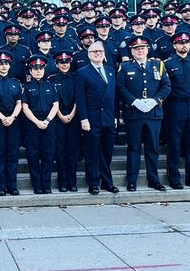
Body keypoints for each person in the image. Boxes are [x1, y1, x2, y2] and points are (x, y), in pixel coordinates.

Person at [116, 37, 170, 191]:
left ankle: (153, 180)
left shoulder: (158, 65)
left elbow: (166, 85)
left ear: (147, 49)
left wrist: (155, 101)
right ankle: (131, 180)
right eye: (136, 49)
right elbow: (121, 87)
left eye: (143, 48)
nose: (140, 51)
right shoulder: (125, 67)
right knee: (133, 148)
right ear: (132, 52)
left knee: (152, 148)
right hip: (134, 114)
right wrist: (134, 102)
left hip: (153, 113)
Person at [75, 42, 119, 195]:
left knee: (106, 153)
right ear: (88, 54)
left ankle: (107, 182)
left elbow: (115, 97)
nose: (98, 54)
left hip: (108, 118)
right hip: (92, 119)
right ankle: (93, 183)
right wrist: (84, 119)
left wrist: (115, 116)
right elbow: (80, 98)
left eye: (100, 51)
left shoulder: (111, 70)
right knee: (92, 153)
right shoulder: (82, 72)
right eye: (94, 51)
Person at [0, 52, 24, 196]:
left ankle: (12, 186)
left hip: (13, 122)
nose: (4, 66)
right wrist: (3, 118)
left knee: (13, 155)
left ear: (9, 65)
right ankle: (1, 187)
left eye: (6, 63)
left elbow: (20, 103)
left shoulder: (16, 83)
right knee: (0, 155)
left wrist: (12, 117)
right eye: (1, 64)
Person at [22, 55, 59, 194]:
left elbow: (56, 105)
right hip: (33, 123)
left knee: (48, 155)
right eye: (35, 68)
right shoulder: (26, 87)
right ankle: (37, 185)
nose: (38, 71)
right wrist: (37, 122)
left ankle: (46, 184)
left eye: (40, 68)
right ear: (30, 71)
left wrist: (47, 121)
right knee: (33, 155)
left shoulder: (51, 85)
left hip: (48, 123)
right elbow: (25, 107)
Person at [49, 51, 82, 192]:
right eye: (61, 63)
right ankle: (62, 182)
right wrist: (61, 115)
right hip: (58, 118)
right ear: (56, 64)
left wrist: (72, 113)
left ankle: (72, 182)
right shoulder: (51, 79)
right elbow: (52, 100)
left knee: (73, 151)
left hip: (73, 118)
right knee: (60, 151)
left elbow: (78, 98)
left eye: (67, 62)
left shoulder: (76, 78)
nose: (64, 65)